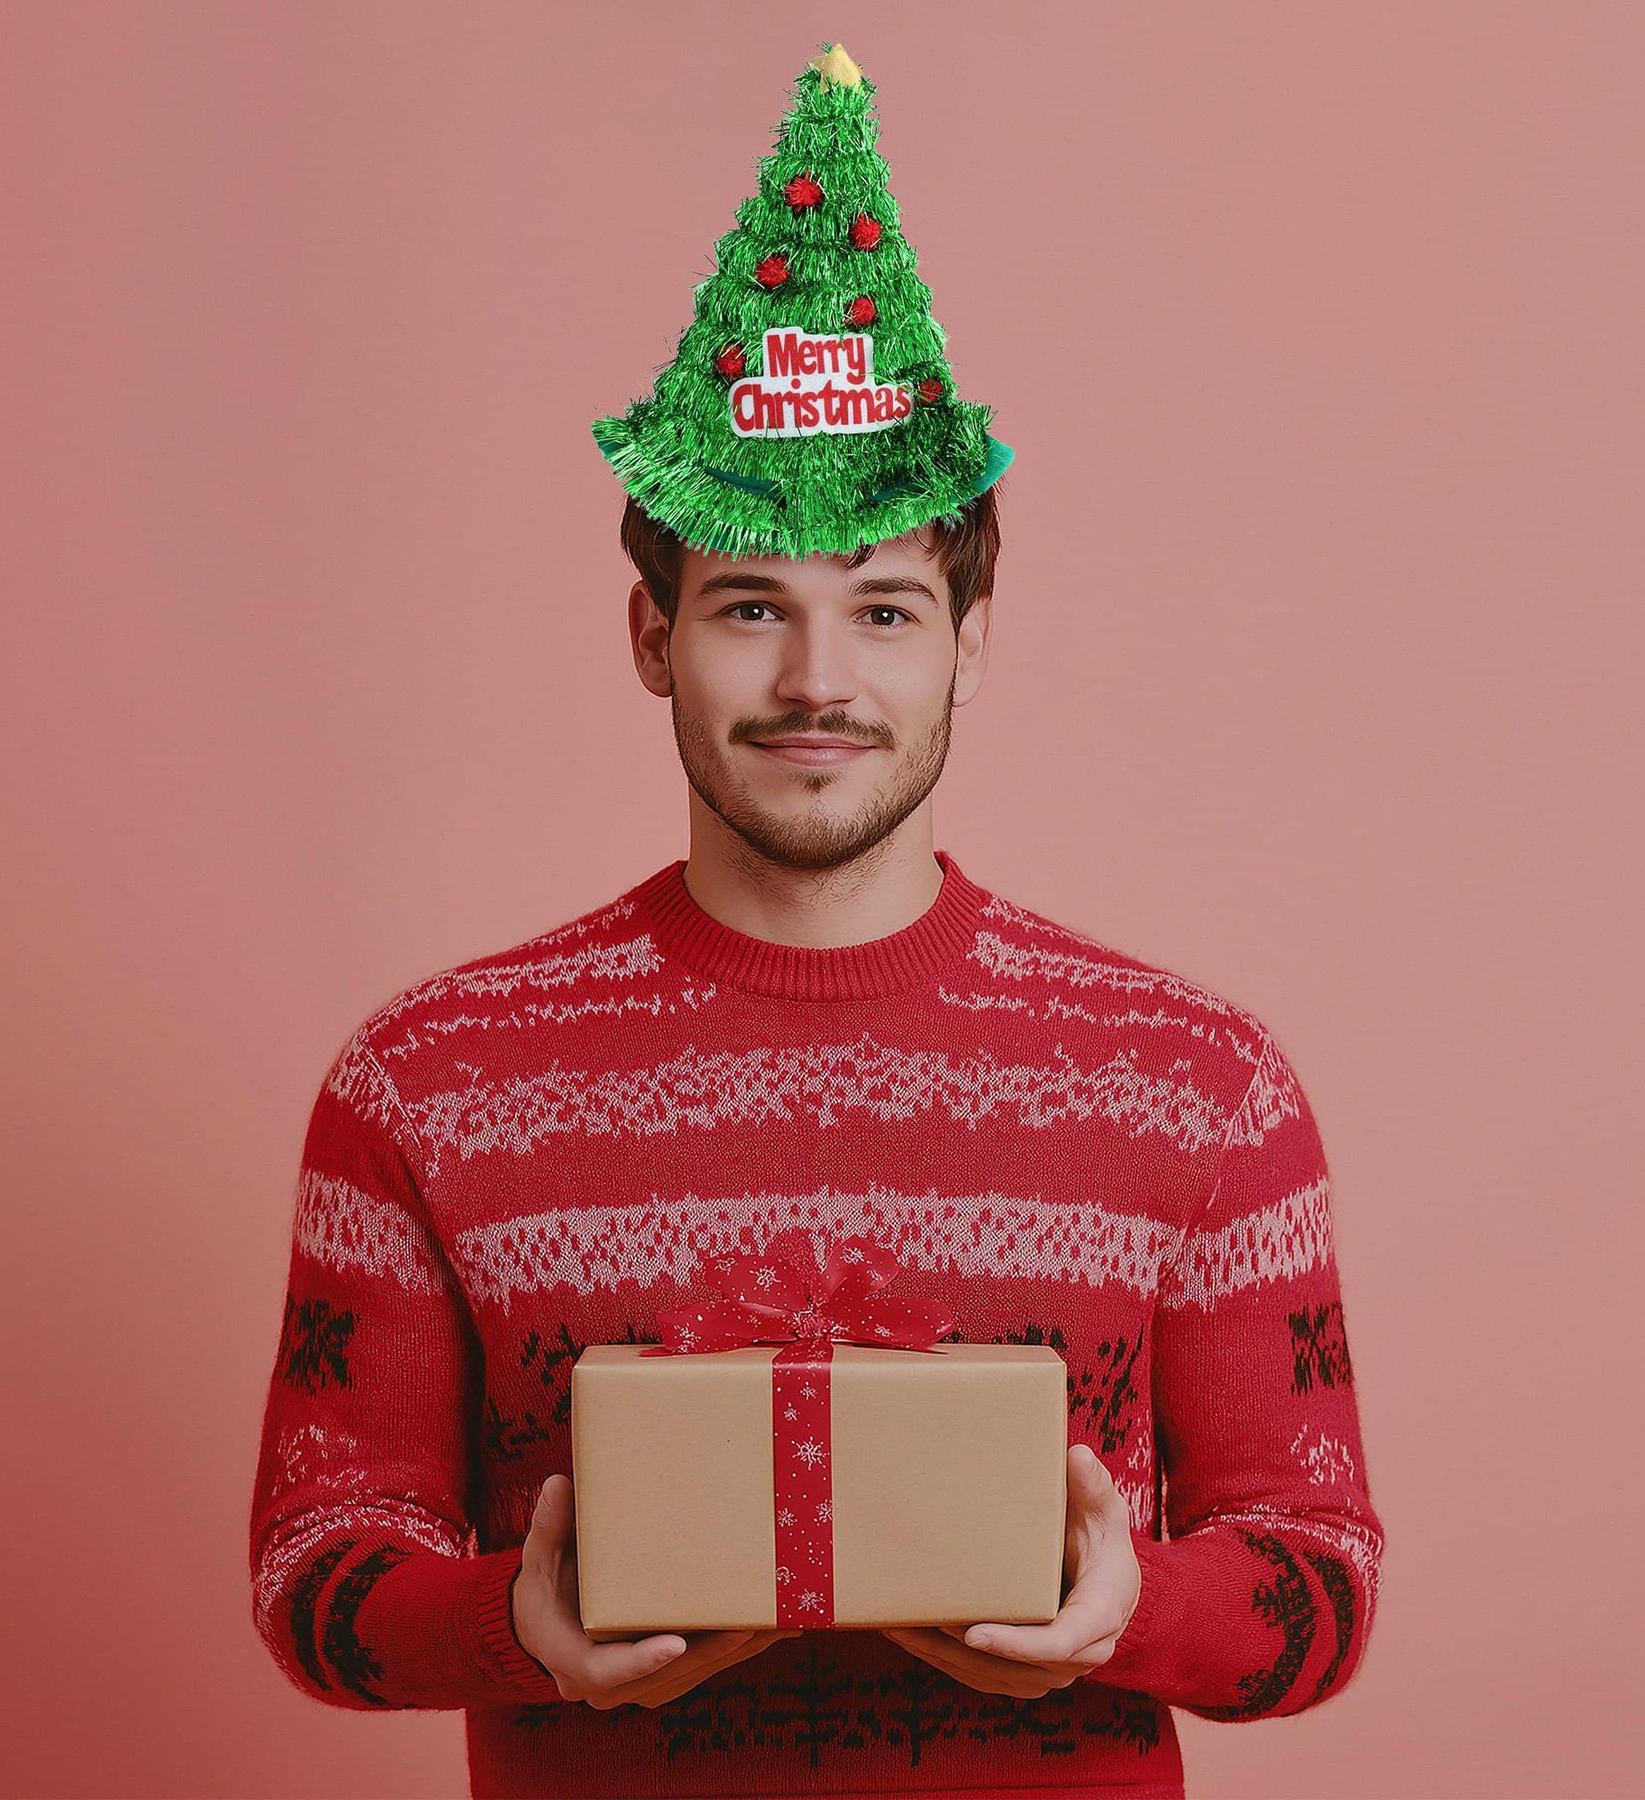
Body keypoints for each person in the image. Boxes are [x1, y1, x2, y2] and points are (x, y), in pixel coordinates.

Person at [248, 42, 1383, 1800]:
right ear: (650, 639)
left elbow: (1323, 1578)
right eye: (748, 607)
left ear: (973, 643)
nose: (815, 680)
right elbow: (315, 1569)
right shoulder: (425, 1080)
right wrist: (511, 1620)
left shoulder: (1200, 1082)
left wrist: (1128, 1603)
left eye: (885, 610)